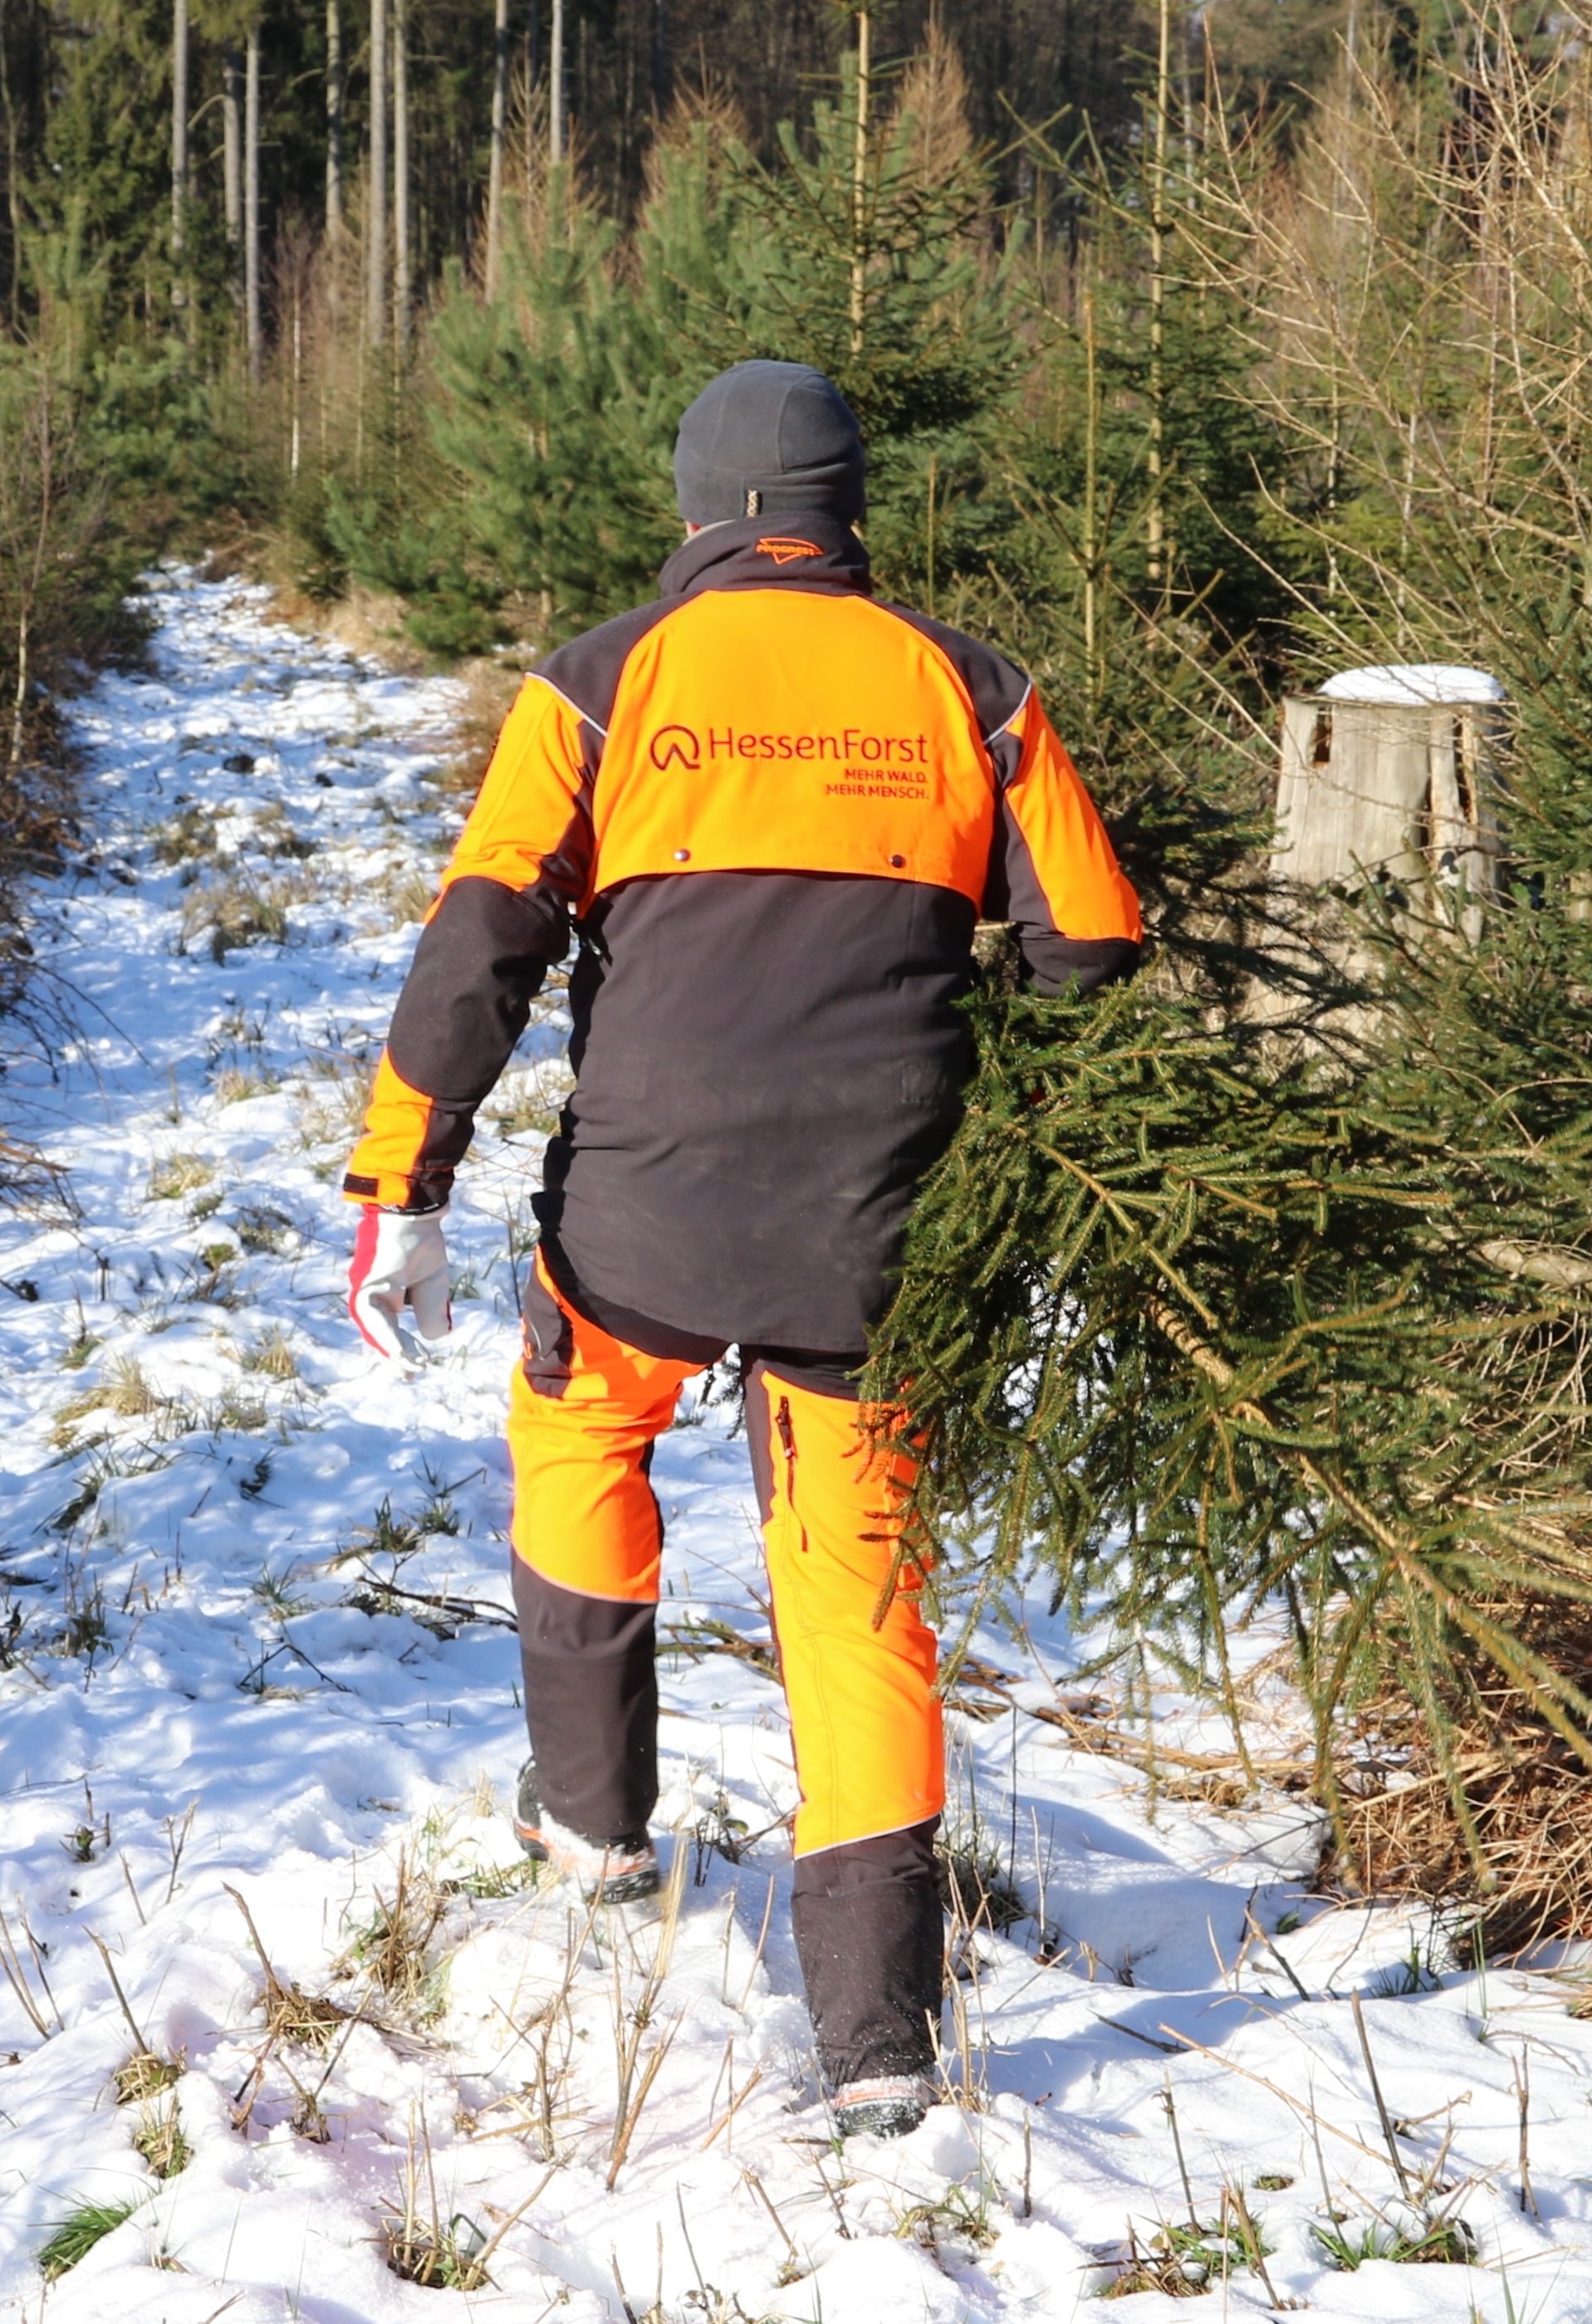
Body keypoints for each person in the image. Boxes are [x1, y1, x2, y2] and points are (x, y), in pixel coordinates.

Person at [341, 359, 1141, 2139]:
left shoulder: (606, 681)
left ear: (699, 509)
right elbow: (1092, 946)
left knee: (576, 1435)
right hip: (877, 1235)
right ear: (850, 507)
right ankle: (877, 2042)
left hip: (640, 1212)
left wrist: (405, 1183)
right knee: (857, 1598)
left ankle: (596, 1834)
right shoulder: (975, 686)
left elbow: (479, 948)